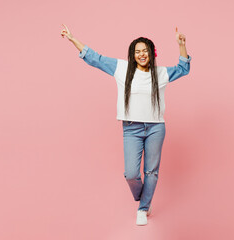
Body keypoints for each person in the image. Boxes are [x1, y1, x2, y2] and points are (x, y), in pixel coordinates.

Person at [60, 24, 191, 226]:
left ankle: (143, 208)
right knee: (131, 173)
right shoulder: (121, 68)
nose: (141, 54)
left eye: (145, 51)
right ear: (132, 55)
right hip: (131, 128)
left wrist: (182, 45)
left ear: (151, 53)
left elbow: (184, 68)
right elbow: (95, 58)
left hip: (156, 127)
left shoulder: (160, 73)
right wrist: (72, 39)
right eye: (137, 51)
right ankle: (143, 196)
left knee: (151, 172)